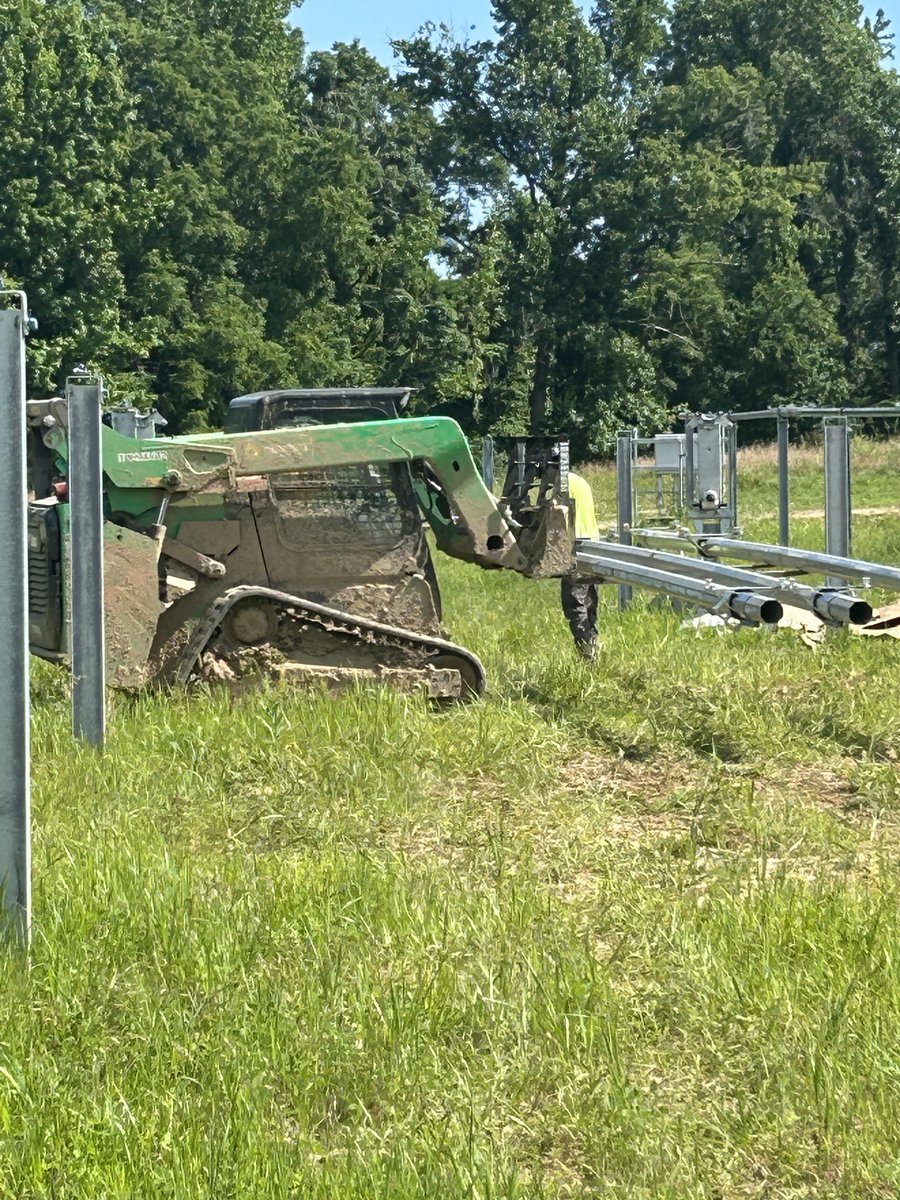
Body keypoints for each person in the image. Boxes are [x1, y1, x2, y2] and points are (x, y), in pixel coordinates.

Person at [562, 471, 600, 659]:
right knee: (590, 602)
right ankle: (593, 645)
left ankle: (586, 652)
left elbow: (557, 516)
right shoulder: (578, 481)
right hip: (593, 542)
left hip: (576, 545)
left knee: (575, 602)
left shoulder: (562, 484)